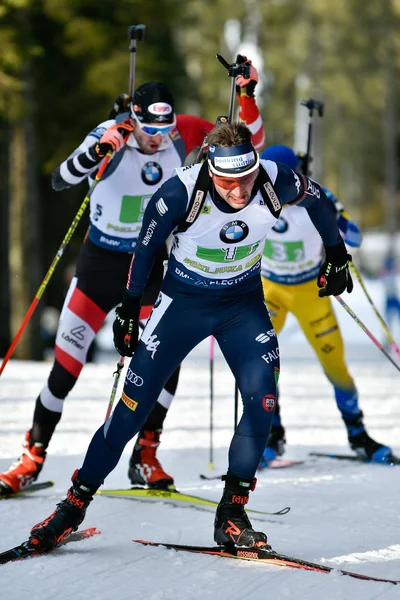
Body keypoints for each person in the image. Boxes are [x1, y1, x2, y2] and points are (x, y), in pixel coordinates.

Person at [26, 121, 354, 552]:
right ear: (210, 171)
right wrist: (128, 309)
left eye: (247, 178)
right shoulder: (178, 194)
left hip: (243, 306)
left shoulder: (275, 179)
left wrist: (335, 254)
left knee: (262, 401)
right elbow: (144, 250)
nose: (240, 191)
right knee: (130, 412)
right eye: (228, 181)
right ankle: (72, 506)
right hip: (183, 305)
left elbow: (318, 204)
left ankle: (232, 514)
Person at [0, 67, 265, 496]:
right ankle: (32, 455)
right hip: (100, 265)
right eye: (148, 128)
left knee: (166, 361)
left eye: (165, 128)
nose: (158, 138)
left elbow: (251, 143)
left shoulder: (183, 134)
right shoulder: (113, 134)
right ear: (134, 118)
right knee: (66, 367)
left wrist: (246, 96)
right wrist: (97, 152)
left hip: (149, 267)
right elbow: (60, 178)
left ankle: (146, 452)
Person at [258, 145, 392, 466]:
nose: (275, 189)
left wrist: (339, 218)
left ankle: (358, 435)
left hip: (309, 291)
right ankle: (270, 434)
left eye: (282, 182)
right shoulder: (253, 195)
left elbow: (356, 239)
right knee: (259, 363)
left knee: (335, 365)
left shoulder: (315, 198)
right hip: (270, 290)